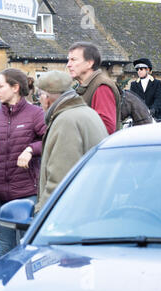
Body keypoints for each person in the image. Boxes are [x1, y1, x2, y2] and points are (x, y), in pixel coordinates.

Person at [0, 68, 46, 257]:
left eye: (0, 86)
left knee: (29, 249)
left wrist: (31, 149)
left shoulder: (36, 114)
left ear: (15, 87)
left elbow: (50, 140)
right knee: (4, 250)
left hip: (26, 193)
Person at [35, 70, 108, 212]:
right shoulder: (86, 112)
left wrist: (43, 213)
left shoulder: (66, 121)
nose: (39, 102)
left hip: (71, 212)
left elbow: (60, 178)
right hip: (91, 205)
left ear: (45, 97)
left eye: (39, 96)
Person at [67, 42, 121, 134]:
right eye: (68, 60)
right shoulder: (83, 87)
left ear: (89, 63)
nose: (68, 64)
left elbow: (106, 127)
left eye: (73, 60)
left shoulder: (102, 87)